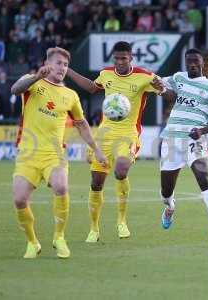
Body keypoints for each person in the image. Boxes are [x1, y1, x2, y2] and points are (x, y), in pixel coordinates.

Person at [10, 47, 106, 259]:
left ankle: (59, 237)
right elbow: (15, 89)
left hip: (55, 153)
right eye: (59, 63)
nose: (62, 68)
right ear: (48, 63)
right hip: (28, 153)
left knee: (61, 187)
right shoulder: (33, 82)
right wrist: (36, 77)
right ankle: (32, 242)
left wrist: (97, 150)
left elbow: (81, 125)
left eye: (65, 64)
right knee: (19, 200)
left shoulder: (70, 95)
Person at [67, 41, 165, 243]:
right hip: (104, 134)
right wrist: (68, 71)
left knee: (121, 170)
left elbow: (167, 92)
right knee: (96, 183)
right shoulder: (106, 74)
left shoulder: (144, 76)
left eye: (124, 58)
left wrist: (162, 88)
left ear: (131, 58)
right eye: (117, 58)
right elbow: (92, 88)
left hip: (128, 134)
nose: (120, 62)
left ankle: (122, 221)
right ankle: (94, 229)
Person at [159, 48, 208, 243]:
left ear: (202, 63)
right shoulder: (178, 78)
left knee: (203, 178)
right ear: (185, 62)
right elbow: (165, 90)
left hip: (194, 139)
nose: (192, 64)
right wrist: (158, 86)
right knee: (165, 192)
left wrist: (202, 131)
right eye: (189, 61)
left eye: (196, 61)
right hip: (171, 139)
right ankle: (170, 207)